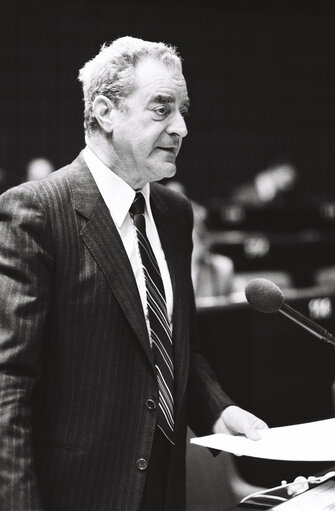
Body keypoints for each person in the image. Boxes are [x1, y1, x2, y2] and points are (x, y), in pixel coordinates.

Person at [0, 36, 267, 511]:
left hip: (165, 489)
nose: (181, 127)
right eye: (162, 109)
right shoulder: (35, 211)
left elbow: (175, 343)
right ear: (105, 111)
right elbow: (9, 384)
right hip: (76, 493)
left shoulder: (174, 211)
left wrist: (217, 410)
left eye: (183, 110)